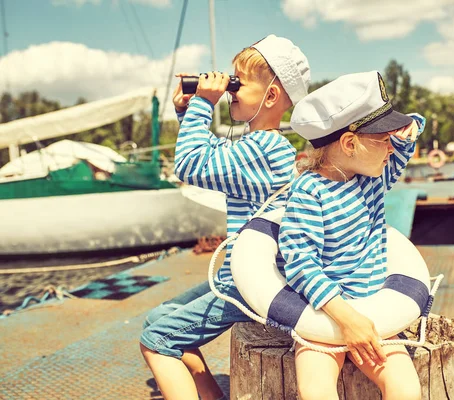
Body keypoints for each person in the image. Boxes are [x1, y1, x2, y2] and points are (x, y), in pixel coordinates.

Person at [140, 34, 311, 400]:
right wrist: (190, 111)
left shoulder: (265, 149)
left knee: (155, 341)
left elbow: (189, 164)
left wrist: (205, 103)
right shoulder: (259, 146)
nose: (230, 90)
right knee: (158, 319)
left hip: (252, 282)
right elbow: (211, 154)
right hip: (239, 274)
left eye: (239, 83)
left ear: (271, 96)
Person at [278, 71, 425, 400]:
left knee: (406, 389)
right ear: (349, 143)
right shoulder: (309, 192)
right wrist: (348, 320)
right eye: (383, 140)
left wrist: (410, 125)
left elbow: (405, 142)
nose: (392, 149)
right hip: (325, 315)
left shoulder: (371, 177)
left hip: (376, 313)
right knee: (316, 391)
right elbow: (301, 262)